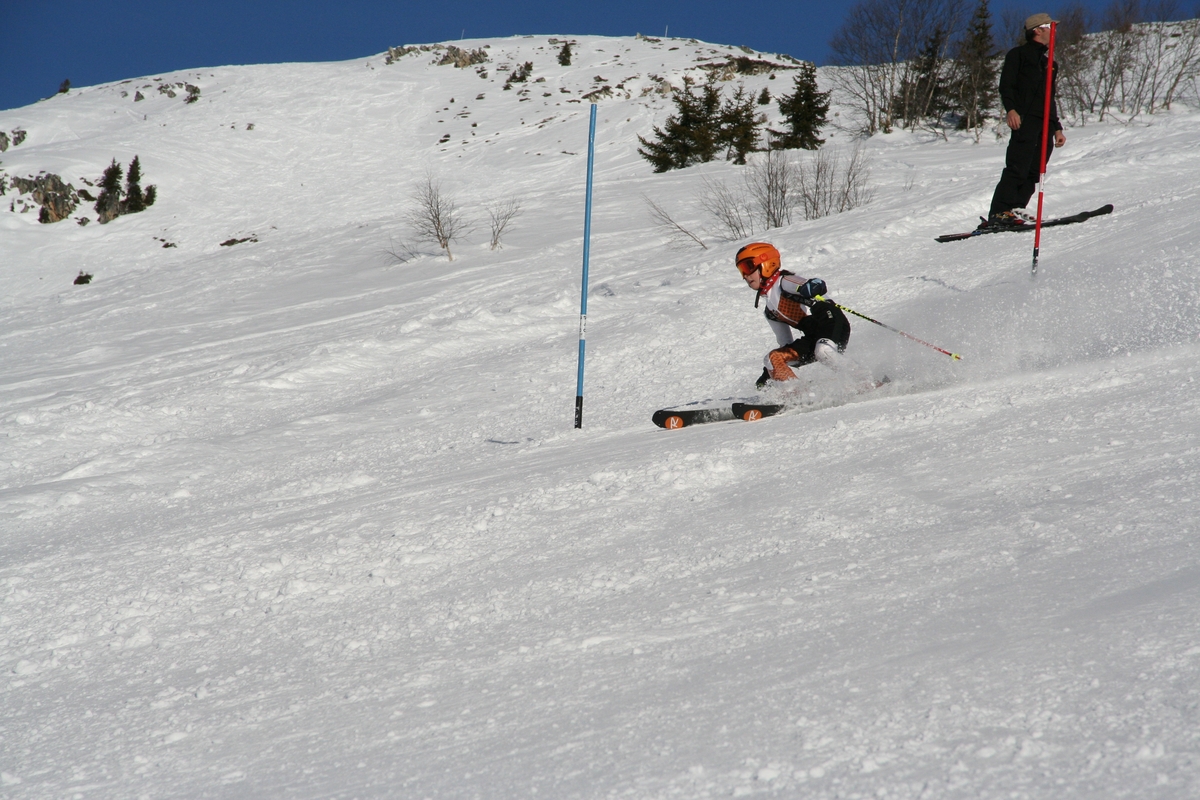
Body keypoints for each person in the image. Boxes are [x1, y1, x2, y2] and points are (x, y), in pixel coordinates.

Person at [982, 13, 1067, 229]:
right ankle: (999, 211)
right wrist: (1011, 109)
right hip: (1025, 119)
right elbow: (1006, 85)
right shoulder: (1018, 55)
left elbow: (1049, 98)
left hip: (1045, 124)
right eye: (1050, 26)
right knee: (1018, 166)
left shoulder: (1050, 64)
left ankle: (1016, 208)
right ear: (1037, 30)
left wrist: (1057, 128)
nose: (1054, 31)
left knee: (1035, 170)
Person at [734, 242, 853, 390]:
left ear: (766, 263)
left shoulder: (783, 282)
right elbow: (785, 343)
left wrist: (813, 286)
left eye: (748, 267)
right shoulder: (770, 312)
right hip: (813, 336)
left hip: (831, 322)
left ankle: (864, 380)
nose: (745, 275)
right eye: (741, 271)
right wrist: (768, 373)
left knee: (823, 351)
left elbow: (810, 284)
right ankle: (799, 396)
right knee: (772, 359)